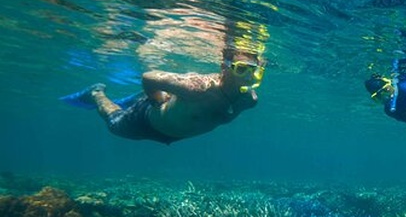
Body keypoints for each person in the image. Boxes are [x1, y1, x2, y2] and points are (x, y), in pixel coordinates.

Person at [63, 47, 265, 144]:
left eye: (254, 70)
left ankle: (138, 98)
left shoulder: (248, 101)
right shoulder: (197, 88)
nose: (248, 76)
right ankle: (96, 93)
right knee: (114, 123)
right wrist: (155, 100)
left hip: (172, 133)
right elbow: (149, 77)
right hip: (146, 122)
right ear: (224, 67)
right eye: (241, 69)